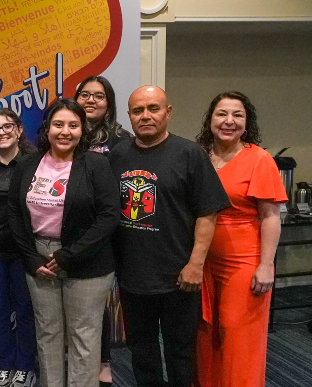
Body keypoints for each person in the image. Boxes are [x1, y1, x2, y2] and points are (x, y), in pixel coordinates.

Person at [108, 86, 230, 387]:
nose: (145, 116)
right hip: (133, 275)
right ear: (129, 115)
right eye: (138, 111)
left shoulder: (190, 154)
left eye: (153, 108)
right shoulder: (117, 154)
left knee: (180, 352)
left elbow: (208, 213)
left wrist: (195, 265)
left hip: (178, 275)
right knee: (141, 351)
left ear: (168, 112)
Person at [8, 98, 120, 387]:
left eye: (73, 125)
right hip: (39, 258)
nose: (65, 131)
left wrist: (70, 255)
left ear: (82, 130)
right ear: (47, 129)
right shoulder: (27, 164)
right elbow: (15, 214)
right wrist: (32, 260)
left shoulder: (96, 164)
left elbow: (109, 216)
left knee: (83, 335)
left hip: (87, 260)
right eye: (58, 124)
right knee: (48, 332)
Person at [194, 91, 287, 387]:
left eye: (238, 115)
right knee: (205, 334)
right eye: (222, 114)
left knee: (238, 335)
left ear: (247, 123)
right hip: (203, 261)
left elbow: (270, 216)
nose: (229, 121)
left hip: (244, 262)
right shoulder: (198, 156)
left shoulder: (259, 159)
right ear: (211, 119)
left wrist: (266, 265)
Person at [74, 75, 131, 386]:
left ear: (108, 103)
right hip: (74, 232)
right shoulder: (69, 134)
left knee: (101, 302)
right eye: (84, 95)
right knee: (80, 304)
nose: (90, 101)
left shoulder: (122, 140)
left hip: (113, 231)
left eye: (98, 96)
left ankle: (104, 360)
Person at [0, 108, 38, 387]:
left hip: (24, 252)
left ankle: (25, 366)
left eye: (7, 126)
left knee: (25, 311)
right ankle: (5, 363)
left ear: (19, 130)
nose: (1, 132)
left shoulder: (34, 163)